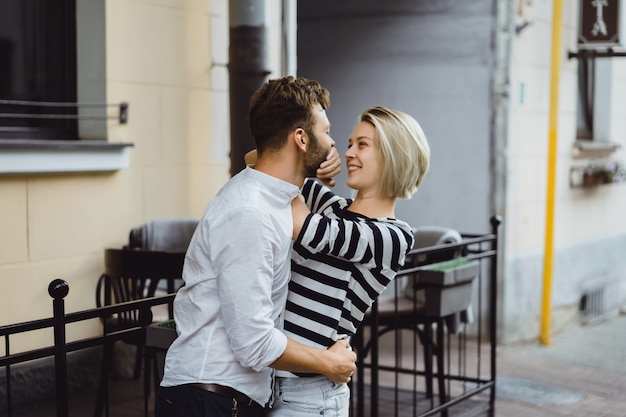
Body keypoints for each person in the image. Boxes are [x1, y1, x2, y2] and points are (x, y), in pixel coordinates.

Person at [155, 76, 356, 417]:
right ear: (301, 138)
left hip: (224, 399)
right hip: (209, 401)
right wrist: (329, 363)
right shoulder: (251, 213)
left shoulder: (272, 196)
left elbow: (263, 159)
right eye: (326, 132)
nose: (334, 143)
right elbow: (254, 342)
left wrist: (314, 165)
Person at [270, 106, 431, 416]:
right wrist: (311, 163)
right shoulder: (332, 207)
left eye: (362, 144)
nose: (347, 153)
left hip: (310, 397)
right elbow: (260, 160)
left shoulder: (394, 237)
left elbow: (306, 228)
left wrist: (300, 167)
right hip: (268, 381)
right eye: (348, 143)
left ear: (393, 156)